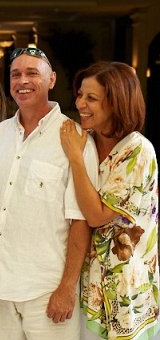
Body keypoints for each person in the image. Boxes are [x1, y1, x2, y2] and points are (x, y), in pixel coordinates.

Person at [0, 47, 99, 339]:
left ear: (51, 79)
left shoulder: (75, 138)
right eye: (15, 74)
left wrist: (67, 288)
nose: (22, 81)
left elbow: (80, 220)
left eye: (31, 73)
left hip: (47, 291)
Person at [60, 61, 159, 340]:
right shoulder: (87, 140)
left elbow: (96, 215)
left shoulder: (137, 151)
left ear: (117, 103)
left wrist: (76, 160)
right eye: (80, 94)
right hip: (87, 287)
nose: (80, 103)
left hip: (126, 292)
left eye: (91, 98)